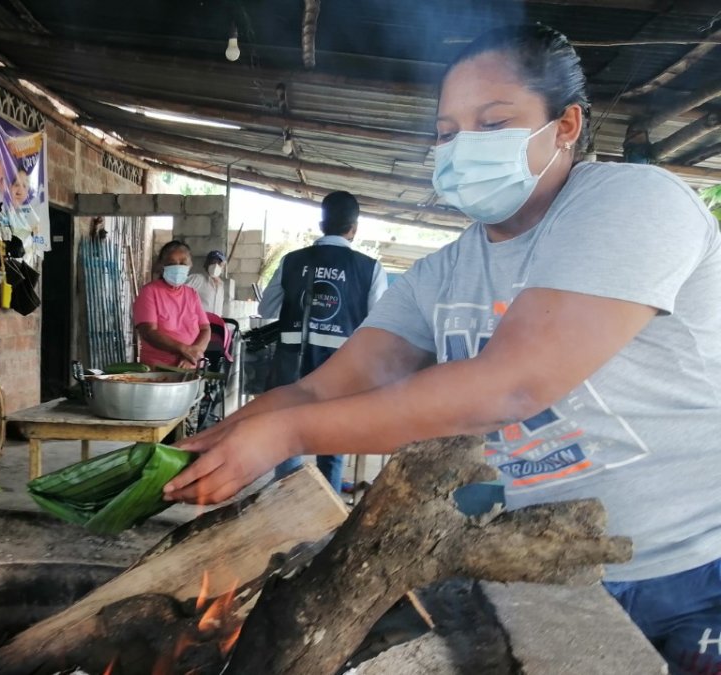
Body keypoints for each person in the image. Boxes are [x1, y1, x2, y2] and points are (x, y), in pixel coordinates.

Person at [164, 24, 721, 674]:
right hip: (537, 569)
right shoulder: (447, 271)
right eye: (448, 131)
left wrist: (285, 435)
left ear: (566, 125)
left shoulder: (632, 203)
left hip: (685, 572)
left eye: (493, 122)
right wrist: (222, 439)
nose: (463, 147)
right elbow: (326, 386)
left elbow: (512, 385)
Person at [257, 191, 388, 491]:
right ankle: (325, 520)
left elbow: (265, 309)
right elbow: (378, 324)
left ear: (321, 224)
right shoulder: (370, 269)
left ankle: (286, 508)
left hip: (292, 369)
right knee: (333, 445)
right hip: (340, 374)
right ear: (354, 228)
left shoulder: (292, 261)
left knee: (289, 442)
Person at [134, 240, 211, 369]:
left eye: (183, 263)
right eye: (171, 263)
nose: (178, 267)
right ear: (162, 265)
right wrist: (184, 350)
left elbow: (205, 329)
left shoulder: (191, 294)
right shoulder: (149, 292)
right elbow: (148, 332)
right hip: (158, 369)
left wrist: (194, 353)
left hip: (190, 367)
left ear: (190, 265)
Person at [186, 249, 228, 316]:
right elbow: (179, 292)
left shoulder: (221, 285)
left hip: (215, 323)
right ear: (207, 264)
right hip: (199, 323)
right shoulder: (197, 279)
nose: (216, 266)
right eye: (213, 262)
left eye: (219, 263)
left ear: (222, 267)